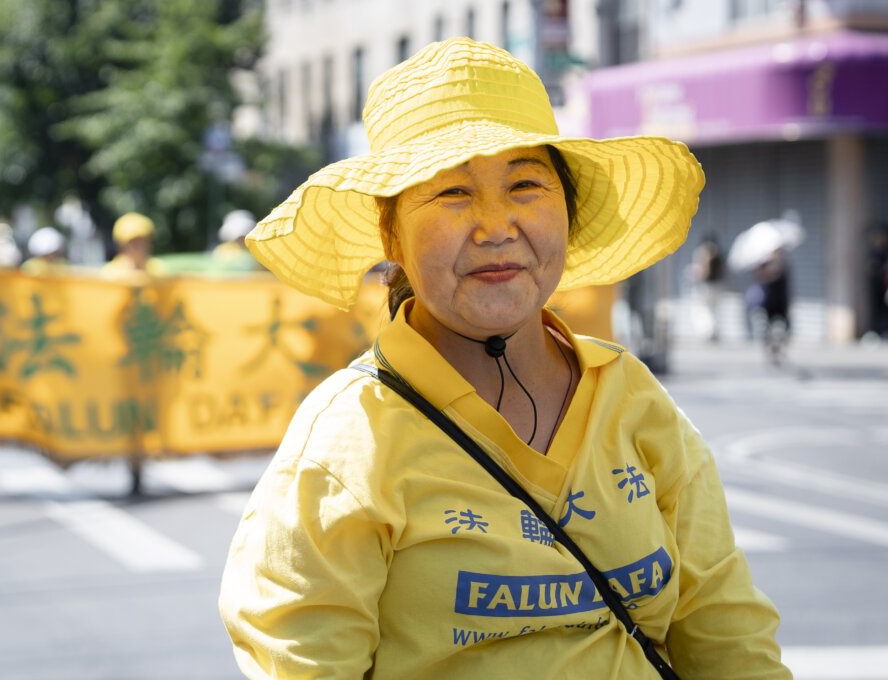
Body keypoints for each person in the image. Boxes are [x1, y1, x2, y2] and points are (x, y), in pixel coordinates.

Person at [219, 39, 790, 679]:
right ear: (391, 235)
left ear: (567, 215)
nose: (496, 226)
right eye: (453, 194)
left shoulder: (631, 396)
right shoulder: (347, 441)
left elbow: (727, 633)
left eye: (525, 185)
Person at [101, 212, 168, 278]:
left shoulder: (157, 269)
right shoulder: (110, 274)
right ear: (121, 245)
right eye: (135, 243)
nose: (141, 247)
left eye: (145, 241)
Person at [690, 232, 726, 342]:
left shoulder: (704, 252)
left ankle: (708, 332)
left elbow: (703, 270)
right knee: (713, 310)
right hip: (717, 285)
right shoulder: (718, 252)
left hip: (706, 285)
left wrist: (698, 276)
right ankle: (713, 332)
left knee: (703, 309)